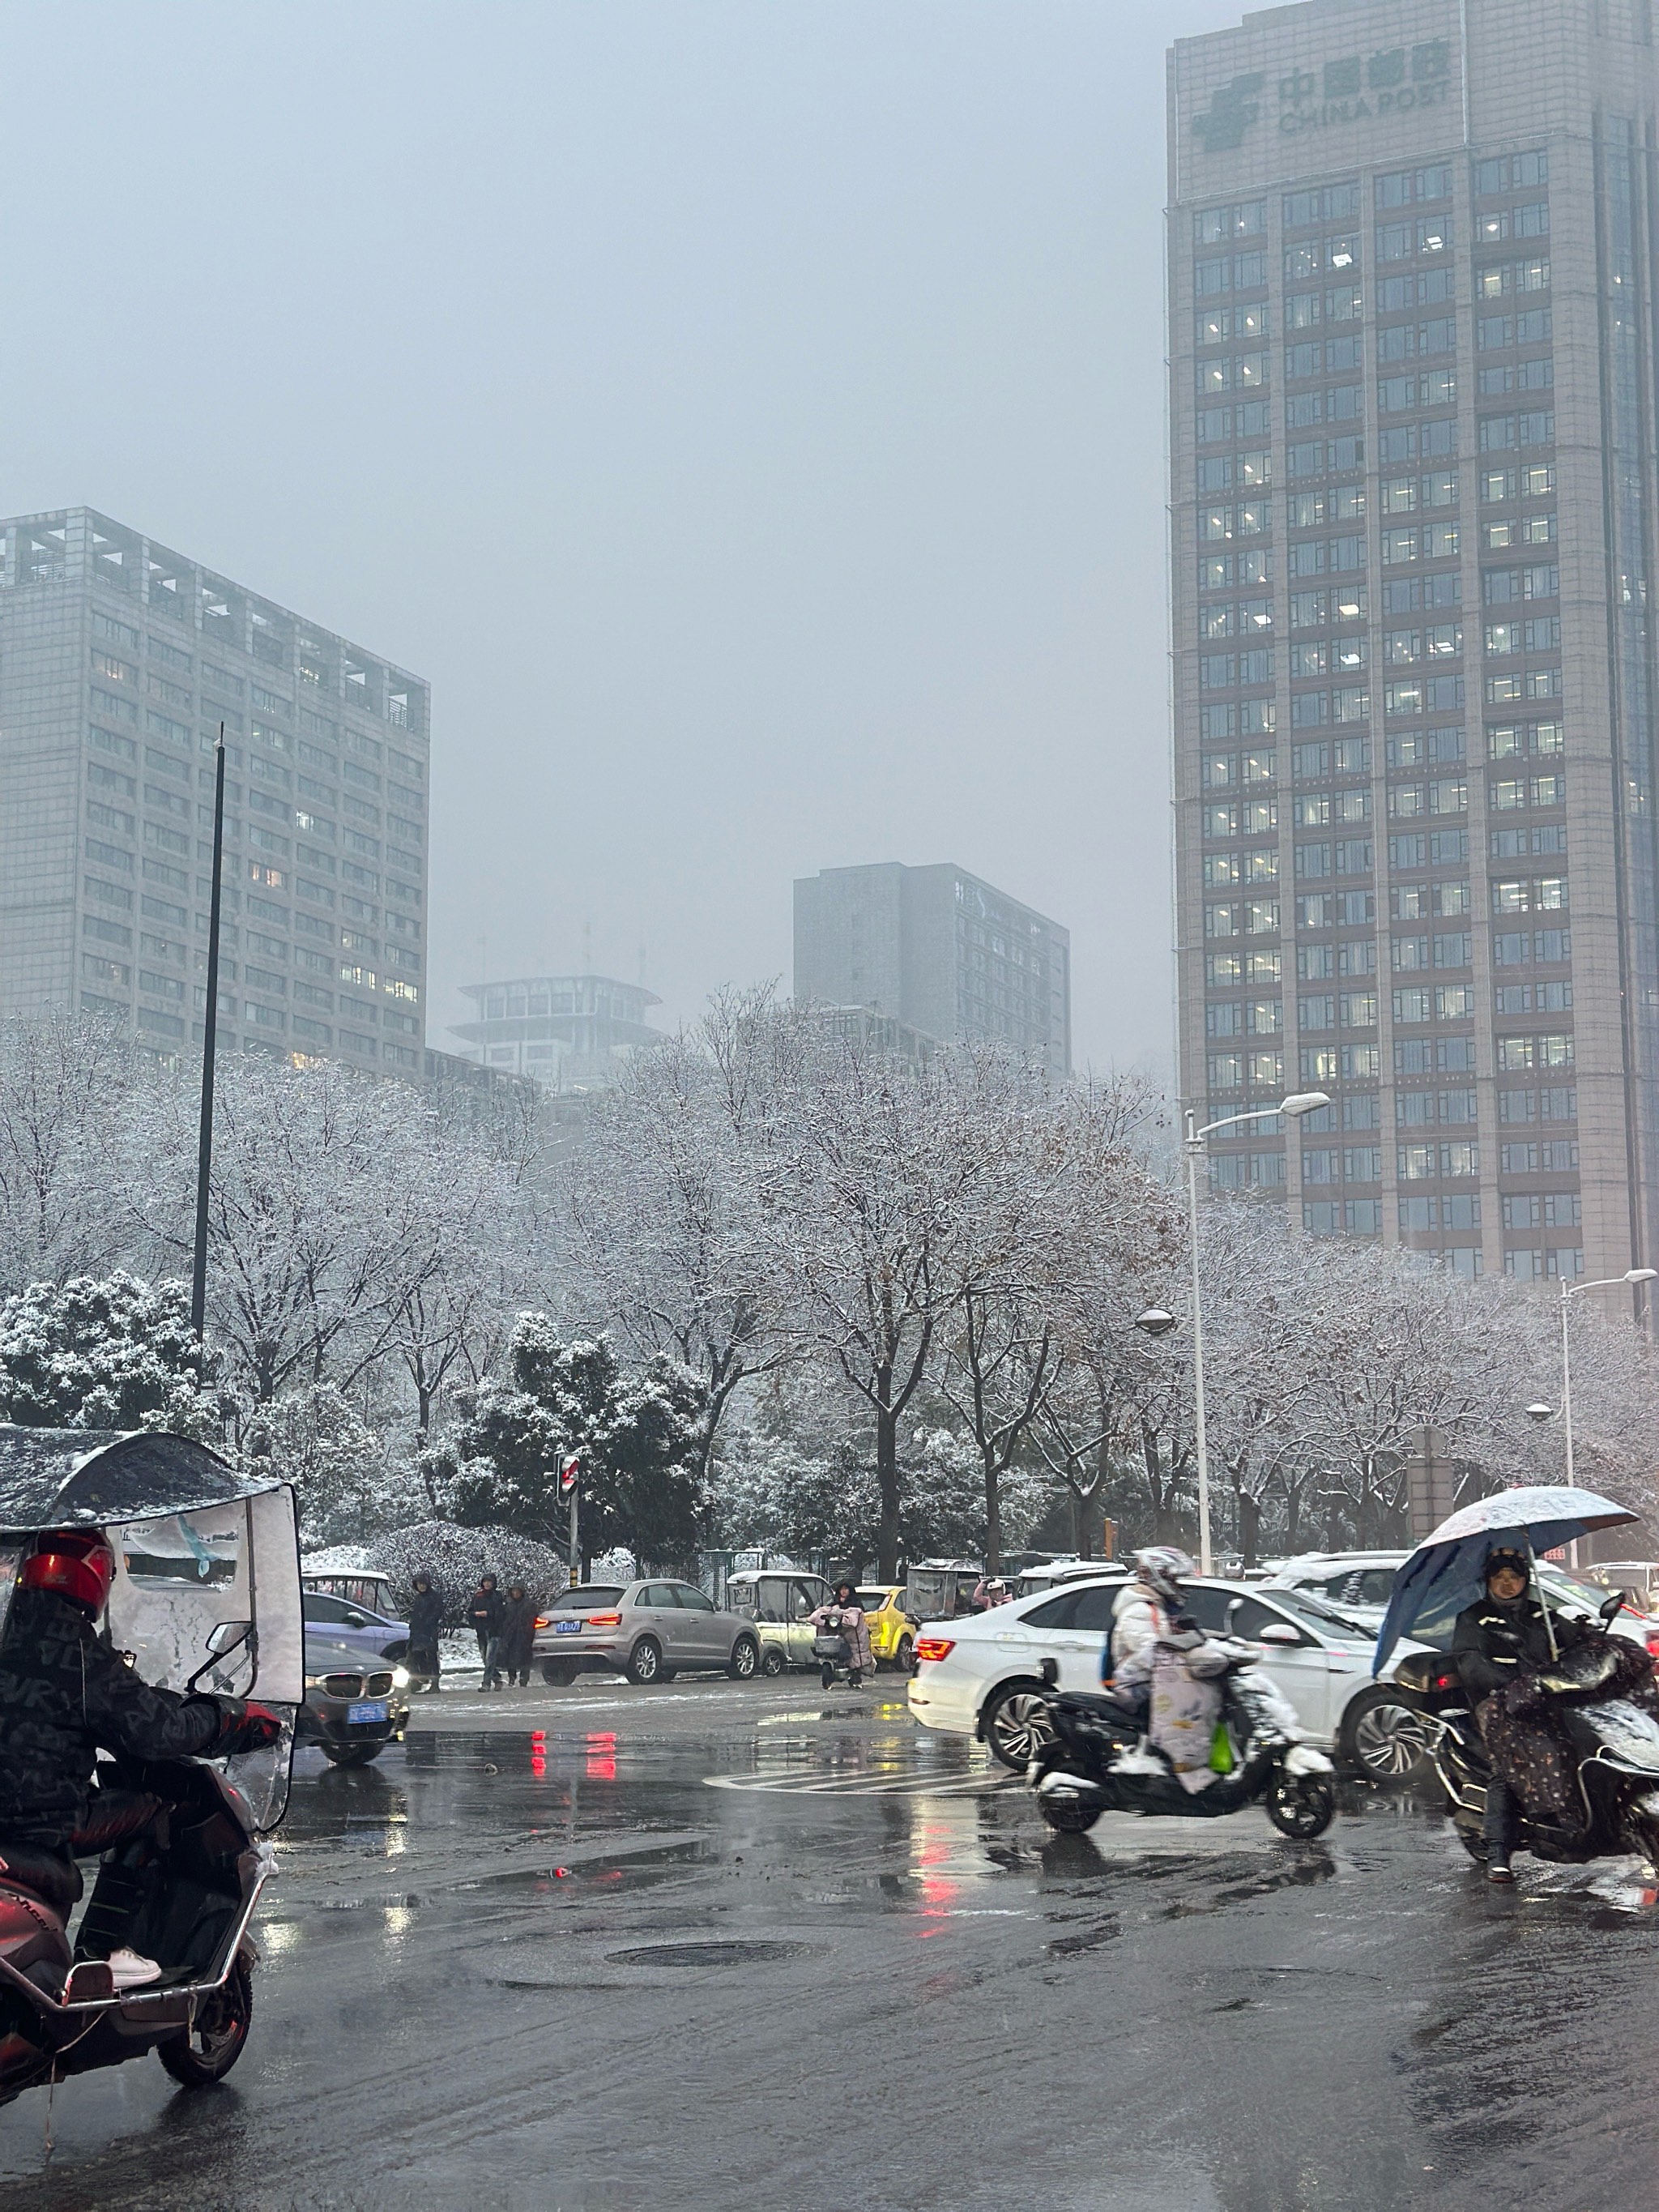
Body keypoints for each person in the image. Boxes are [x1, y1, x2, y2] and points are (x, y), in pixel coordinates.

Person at [0, 1529, 281, 1985]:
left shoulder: (11, 1639)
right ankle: (106, 1950)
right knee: (155, 1807)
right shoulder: (78, 1651)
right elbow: (159, 1732)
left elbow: (121, 1702)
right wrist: (227, 1719)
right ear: (94, 1576)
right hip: (48, 1819)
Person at [1452, 1544, 1598, 1882]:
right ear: (1488, 1581)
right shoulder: (1474, 1619)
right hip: (1497, 1707)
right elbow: (1471, 1664)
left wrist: (1589, 1639)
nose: (1507, 1584)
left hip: (1544, 1701)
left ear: (1525, 1579)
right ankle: (1499, 1852)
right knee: (1510, 1766)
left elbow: (1572, 1642)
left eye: (1514, 1577)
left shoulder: (1540, 1614)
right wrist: (1512, 1684)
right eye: (1499, 1577)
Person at [809, 1580, 872, 1687]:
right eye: (841, 1589)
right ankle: (831, 1675)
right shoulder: (834, 1604)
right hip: (838, 1635)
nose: (843, 1592)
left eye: (846, 1589)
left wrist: (843, 1617)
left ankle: (855, 1678)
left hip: (853, 1636)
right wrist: (824, 1618)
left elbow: (853, 1620)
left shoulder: (855, 1605)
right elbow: (819, 1614)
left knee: (855, 1659)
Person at [494, 1583, 537, 1689]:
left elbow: (533, 1617)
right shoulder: (509, 1605)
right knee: (510, 1658)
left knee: (525, 1657)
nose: (515, 1593)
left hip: (525, 1634)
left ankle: (524, 1679)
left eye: (517, 1591)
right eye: (513, 1591)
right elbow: (504, 1618)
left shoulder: (528, 1604)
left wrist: (528, 1629)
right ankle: (512, 1677)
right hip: (511, 1635)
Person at [406, 1574, 443, 1695]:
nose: (421, 1587)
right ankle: (418, 1682)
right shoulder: (418, 1598)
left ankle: (435, 1683)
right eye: (418, 1585)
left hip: (429, 1631)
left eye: (423, 1584)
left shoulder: (434, 1597)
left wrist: (427, 1622)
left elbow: (437, 1612)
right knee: (416, 1658)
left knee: (431, 1657)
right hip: (417, 1632)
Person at [468, 1575, 503, 1689]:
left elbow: (501, 1612)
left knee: (490, 1658)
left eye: (489, 1582)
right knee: (485, 1658)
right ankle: (497, 1678)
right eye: (485, 1582)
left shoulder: (497, 1596)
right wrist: (475, 1615)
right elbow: (470, 1610)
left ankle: (486, 1683)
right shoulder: (478, 1596)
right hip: (481, 1630)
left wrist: (488, 1614)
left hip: (494, 1630)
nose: (487, 1584)